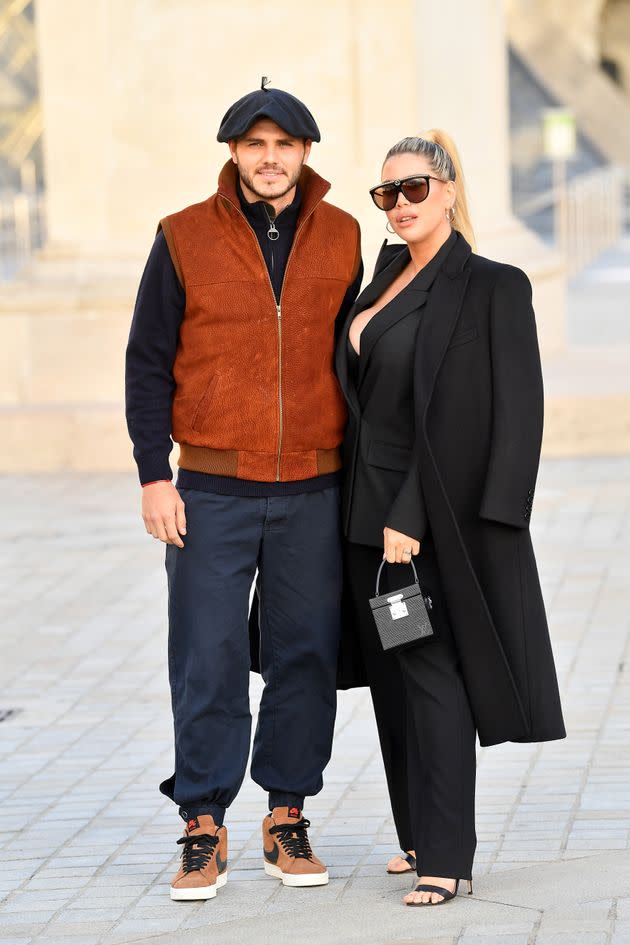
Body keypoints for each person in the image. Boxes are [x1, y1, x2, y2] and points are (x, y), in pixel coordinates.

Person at [125, 79, 362, 901]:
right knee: (209, 656)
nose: (270, 158)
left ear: (305, 153)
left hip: (313, 487)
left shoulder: (342, 234)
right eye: (255, 145)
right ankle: (203, 821)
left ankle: (287, 815)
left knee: (304, 653)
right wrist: (155, 472)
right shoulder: (183, 236)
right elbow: (148, 359)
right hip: (211, 490)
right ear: (234, 152)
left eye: (285, 145)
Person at [335, 129, 566, 907]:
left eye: (414, 189)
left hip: (421, 528)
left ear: (450, 189)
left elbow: (505, 415)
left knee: (430, 673)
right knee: (397, 681)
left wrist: (414, 516)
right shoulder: (388, 274)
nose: (400, 206)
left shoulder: (491, 286)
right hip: (362, 523)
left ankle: (448, 855)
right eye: (386, 193)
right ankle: (413, 834)